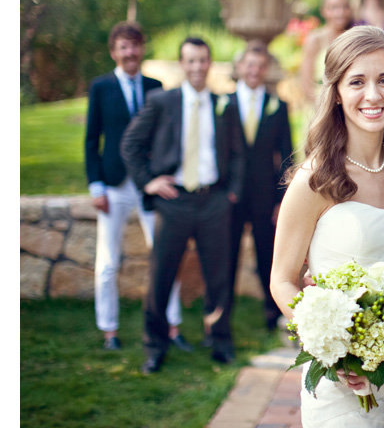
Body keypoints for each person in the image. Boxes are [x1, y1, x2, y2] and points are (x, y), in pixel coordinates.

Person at [270, 26, 384, 427]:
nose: (373, 95)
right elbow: (282, 280)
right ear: (336, 92)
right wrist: (335, 349)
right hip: (344, 383)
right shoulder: (315, 179)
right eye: (357, 81)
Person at [121, 36, 244, 374]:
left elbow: (237, 154)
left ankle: (219, 342)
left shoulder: (225, 104)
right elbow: (131, 143)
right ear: (181, 64)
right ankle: (155, 347)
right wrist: (148, 182)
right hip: (173, 203)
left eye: (202, 60)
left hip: (213, 202)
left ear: (210, 62)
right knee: (161, 277)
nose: (197, 67)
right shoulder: (162, 101)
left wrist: (230, 192)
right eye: (190, 61)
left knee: (219, 277)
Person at [84, 21, 189, 352]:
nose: (130, 52)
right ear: (114, 52)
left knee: (164, 255)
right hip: (113, 185)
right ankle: (109, 330)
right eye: (123, 46)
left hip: (148, 185)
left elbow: (166, 138)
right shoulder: (100, 88)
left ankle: (172, 327)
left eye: (134, 45)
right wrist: (96, 186)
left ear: (142, 48)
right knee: (108, 261)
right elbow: (91, 141)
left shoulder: (156, 87)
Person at [228, 42, 294, 332]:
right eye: (249, 65)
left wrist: (282, 200)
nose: (254, 71)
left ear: (265, 70)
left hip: (266, 195)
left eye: (259, 66)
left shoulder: (278, 106)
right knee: (226, 256)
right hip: (230, 195)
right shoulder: (223, 104)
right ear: (240, 67)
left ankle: (272, 313)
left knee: (267, 254)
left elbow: (286, 155)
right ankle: (222, 314)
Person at [299, 0, 354, 104]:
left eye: (344, 7)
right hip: (320, 105)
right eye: (334, 8)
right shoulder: (315, 39)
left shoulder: (353, 37)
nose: (340, 13)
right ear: (324, 11)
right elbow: (306, 83)